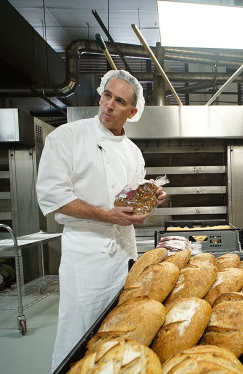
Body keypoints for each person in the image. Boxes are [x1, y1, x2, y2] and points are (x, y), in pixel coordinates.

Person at [35, 69, 166, 371]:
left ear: (132, 112)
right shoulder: (67, 137)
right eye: (107, 95)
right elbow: (54, 196)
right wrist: (105, 215)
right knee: (78, 337)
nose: (109, 105)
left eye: (119, 101)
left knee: (123, 332)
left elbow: (130, 206)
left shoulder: (133, 153)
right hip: (86, 257)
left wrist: (150, 199)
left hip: (125, 256)